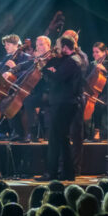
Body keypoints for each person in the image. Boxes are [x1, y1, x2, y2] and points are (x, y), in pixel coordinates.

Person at [43, 37, 85, 181]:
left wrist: (47, 70)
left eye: (58, 45)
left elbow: (57, 77)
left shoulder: (72, 61)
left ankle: (52, 173)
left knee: (55, 138)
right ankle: (68, 173)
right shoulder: (66, 60)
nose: (56, 48)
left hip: (65, 103)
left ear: (65, 47)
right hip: (62, 102)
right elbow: (52, 75)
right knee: (62, 139)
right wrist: (49, 68)